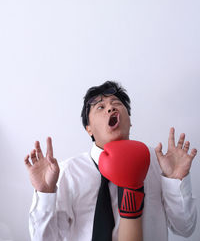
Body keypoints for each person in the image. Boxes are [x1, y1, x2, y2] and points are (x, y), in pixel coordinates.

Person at [24, 80, 197, 241]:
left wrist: (175, 179)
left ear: (129, 121)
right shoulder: (68, 172)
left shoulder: (158, 162)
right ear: (89, 129)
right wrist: (45, 193)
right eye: (100, 107)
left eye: (116, 104)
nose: (110, 109)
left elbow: (185, 229)